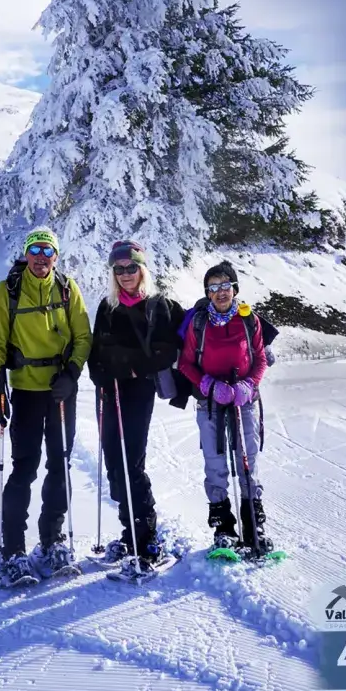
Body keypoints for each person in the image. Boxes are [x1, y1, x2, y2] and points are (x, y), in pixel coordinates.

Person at [0, 226, 92, 587]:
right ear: (26, 254)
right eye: (35, 249)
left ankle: (52, 540)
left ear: (56, 256)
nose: (41, 257)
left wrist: (72, 373)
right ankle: (13, 549)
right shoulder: (9, 291)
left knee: (60, 464)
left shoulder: (67, 288)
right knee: (24, 468)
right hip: (27, 390)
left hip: (61, 391)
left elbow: (83, 336)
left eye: (48, 251)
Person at [86, 240, 186, 572]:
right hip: (109, 391)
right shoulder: (107, 306)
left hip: (137, 392)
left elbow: (166, 351)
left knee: (131, 463)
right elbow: (95, 351)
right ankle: (129, 534)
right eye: (119, 269)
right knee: (114, 462)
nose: (125, 274)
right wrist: (99, 375)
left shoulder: (158, 306)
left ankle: (148, 540)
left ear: (142, 269)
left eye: (131, 267)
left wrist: (130, 368)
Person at [177, 261, 274, 559]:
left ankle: (254, 526)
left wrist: (249, 384)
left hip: (244, 400)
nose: (220, 292)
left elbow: (260, 358)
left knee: (247, 460)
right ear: (207, 292)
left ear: (234, 289)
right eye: (213, 287)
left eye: (225, 285)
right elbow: (185, 363)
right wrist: (207, 384)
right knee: (215, 463)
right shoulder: (199, 323)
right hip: (210, 402)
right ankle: (224, 529)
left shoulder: (249, 320)